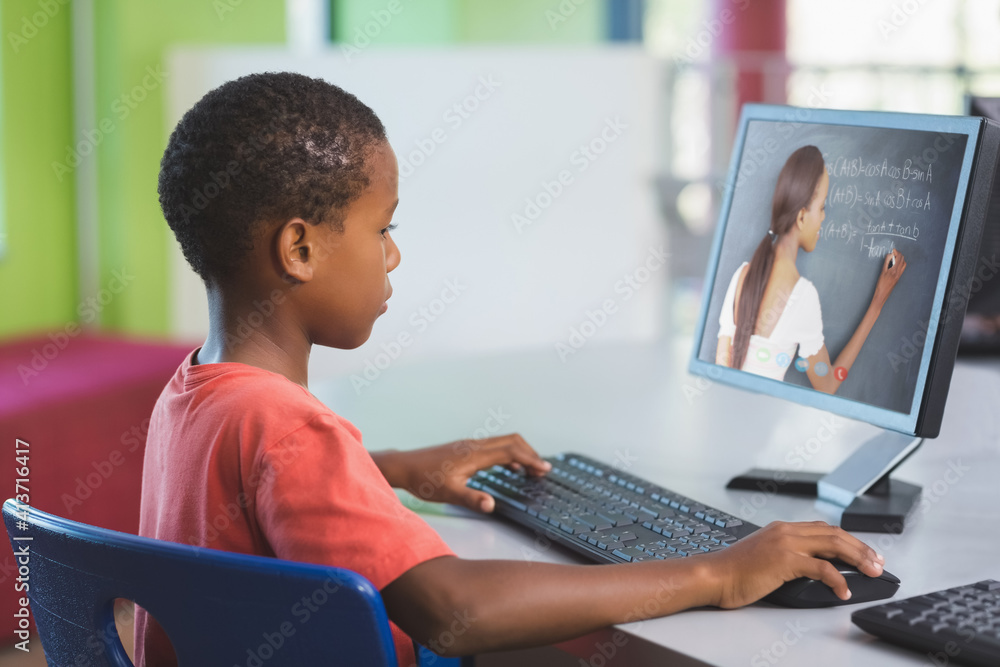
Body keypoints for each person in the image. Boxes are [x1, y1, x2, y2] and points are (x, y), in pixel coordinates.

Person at [138, 73, 887, 666]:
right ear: (299, 249)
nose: (394, 252)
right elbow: (455, 610)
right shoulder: (291, 424)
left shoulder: (192, 390)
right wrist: (718, 571)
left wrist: (388, 468)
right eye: (383, 227)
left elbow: (254, 482)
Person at [716, 145, 907, 391]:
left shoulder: (741, 275)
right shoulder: (802, 296)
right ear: (802, 217)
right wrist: (878, 303)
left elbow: (720, 369)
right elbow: (827, 385)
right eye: (822, 207)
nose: (824, 218)